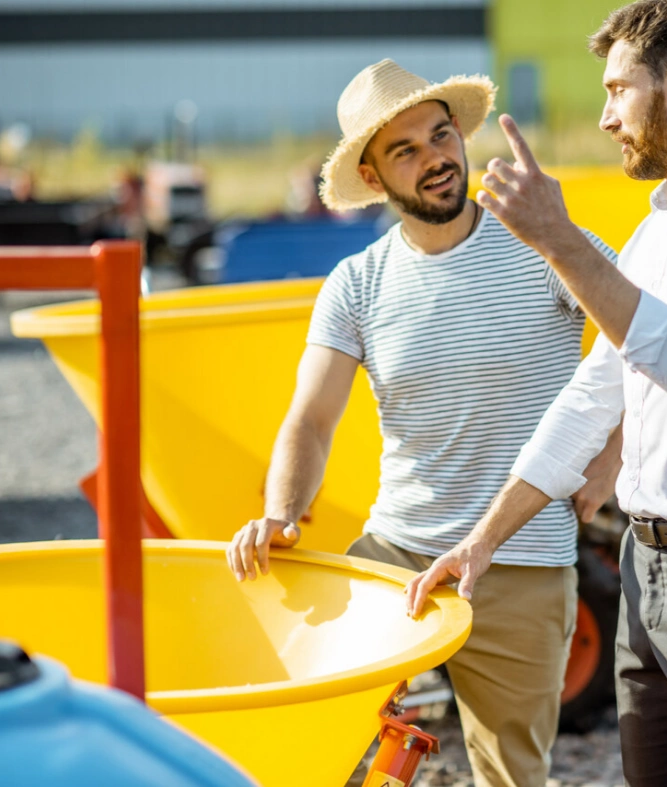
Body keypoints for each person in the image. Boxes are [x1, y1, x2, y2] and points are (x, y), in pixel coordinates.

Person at [407, 2, 667, 785]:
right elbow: (590, 397)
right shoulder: (657, 232)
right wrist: (484, 539)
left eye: (617, 90)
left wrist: (559, 239)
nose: (606, 118)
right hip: (647, 572)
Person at [224, 59, 620, 787]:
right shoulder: (357, 284)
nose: (435, 157)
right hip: (396, 557)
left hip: (524, 564)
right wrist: (281, 512)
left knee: (513, 776)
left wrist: (614, 451)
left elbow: (645, 336)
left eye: (441, 136)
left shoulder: (545, 244)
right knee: (320, 746)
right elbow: (310, 420)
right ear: (373, 179)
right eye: (405, 150)